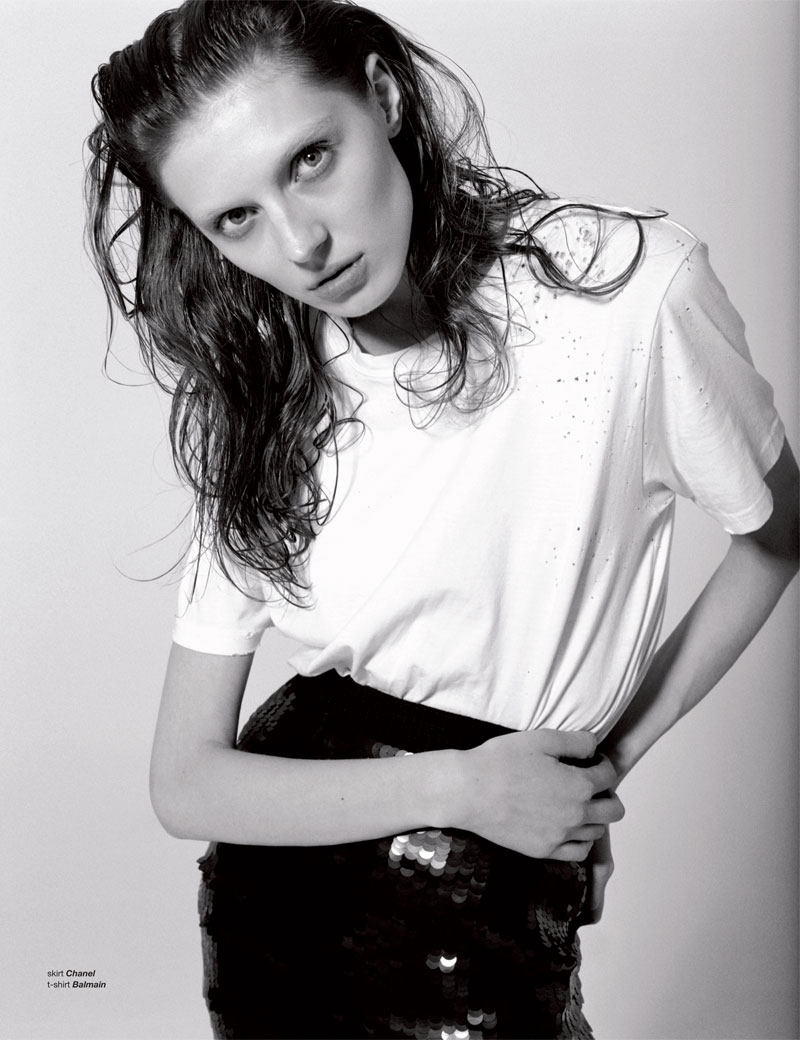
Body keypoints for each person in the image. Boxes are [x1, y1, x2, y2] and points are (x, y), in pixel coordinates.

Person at [85, 1, 798, 1037]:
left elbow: (776, 533)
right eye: (235, 218)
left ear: (381, 95)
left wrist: (592, 770)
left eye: (310, 160)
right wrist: (463, 788)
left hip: (493, 901)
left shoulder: (625, 295)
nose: (301, 242)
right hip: (278, 926)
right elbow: (184, 780)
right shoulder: (269, 385)